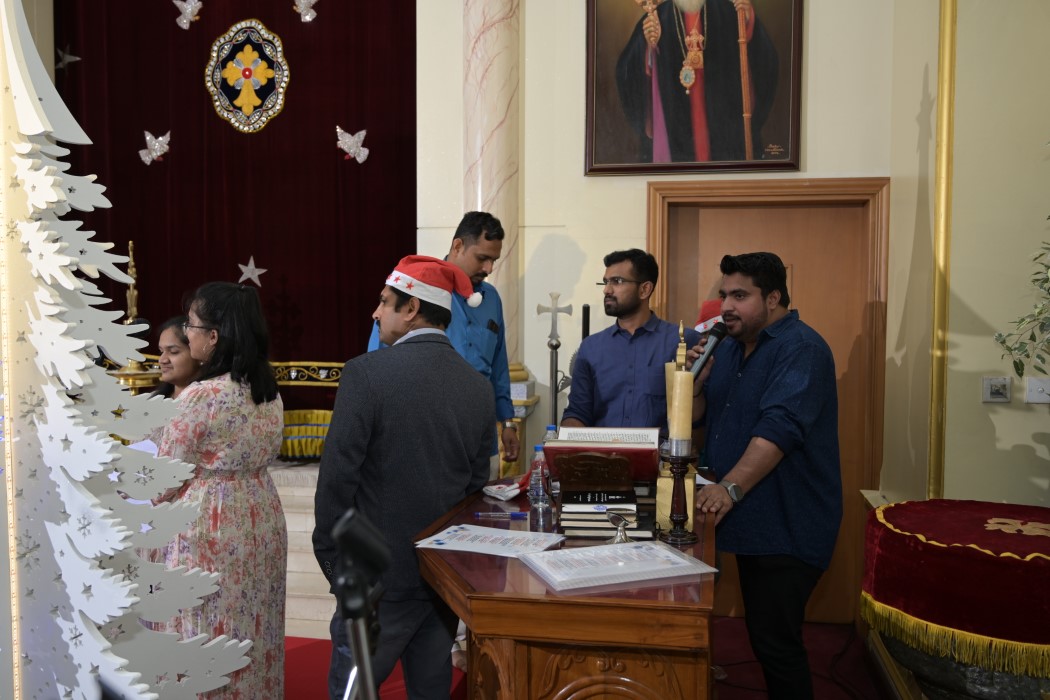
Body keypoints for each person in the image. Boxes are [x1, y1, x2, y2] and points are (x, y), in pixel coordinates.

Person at [315, 255, 495, 700]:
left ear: (411, 308)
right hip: (440, 581)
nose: (375, 313)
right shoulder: (478, 387)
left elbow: (336, 481)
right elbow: (474, 492)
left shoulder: (366, 373)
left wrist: (336, 567)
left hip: (375, 583)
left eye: (384, 301)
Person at [691, 252, 842, 699]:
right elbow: (699, 419)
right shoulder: (729, 347)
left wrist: (728, 488)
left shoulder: (802, 349)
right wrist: (694, 381)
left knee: (776, 642)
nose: (726, 306)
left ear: (773, 298)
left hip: (789, 519)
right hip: (751, 516)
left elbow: (779, 430)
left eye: (740, 296)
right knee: (764, 634)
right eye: (724, 295)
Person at [149, 282, 287, 698]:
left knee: (204, 628)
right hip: (260, 514)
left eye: (191, 326)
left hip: (209, 524)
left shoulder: (202, 395)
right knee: (253, 626)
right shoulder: (267, 390)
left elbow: (164, 477)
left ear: (213, 336)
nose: (187, 334)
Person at [367, 211, 518, 473]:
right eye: (482, 258)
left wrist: (507, 421)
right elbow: (378, 361)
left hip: (480, 435)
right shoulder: (419, 290)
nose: (489, 269)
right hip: (429, 433)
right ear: (457, 246)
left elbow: (498, 365)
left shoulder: (492, 299)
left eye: (494, 260)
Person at [616, 0, 779, 163]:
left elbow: (766, 61)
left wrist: (748, 21)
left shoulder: (729, 11)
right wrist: (648, 46)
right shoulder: (658, 17)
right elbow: (627, 72)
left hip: (724, 139)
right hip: (677, 139)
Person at [561, 248, 700, 430]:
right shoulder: (591, 347)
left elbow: (700, 420)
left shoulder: (682, 342)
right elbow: (578, 412)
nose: (606, 290)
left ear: (644, 289)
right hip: (602, 447)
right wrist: (567, 440)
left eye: (617, 281)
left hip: (660, 448)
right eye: (606, 282)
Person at [150, 315, 200, 399]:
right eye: (161, 352)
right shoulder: (153, 399)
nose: (162, 360)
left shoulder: (209, 399)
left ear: (198, 353)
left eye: (173, 352)